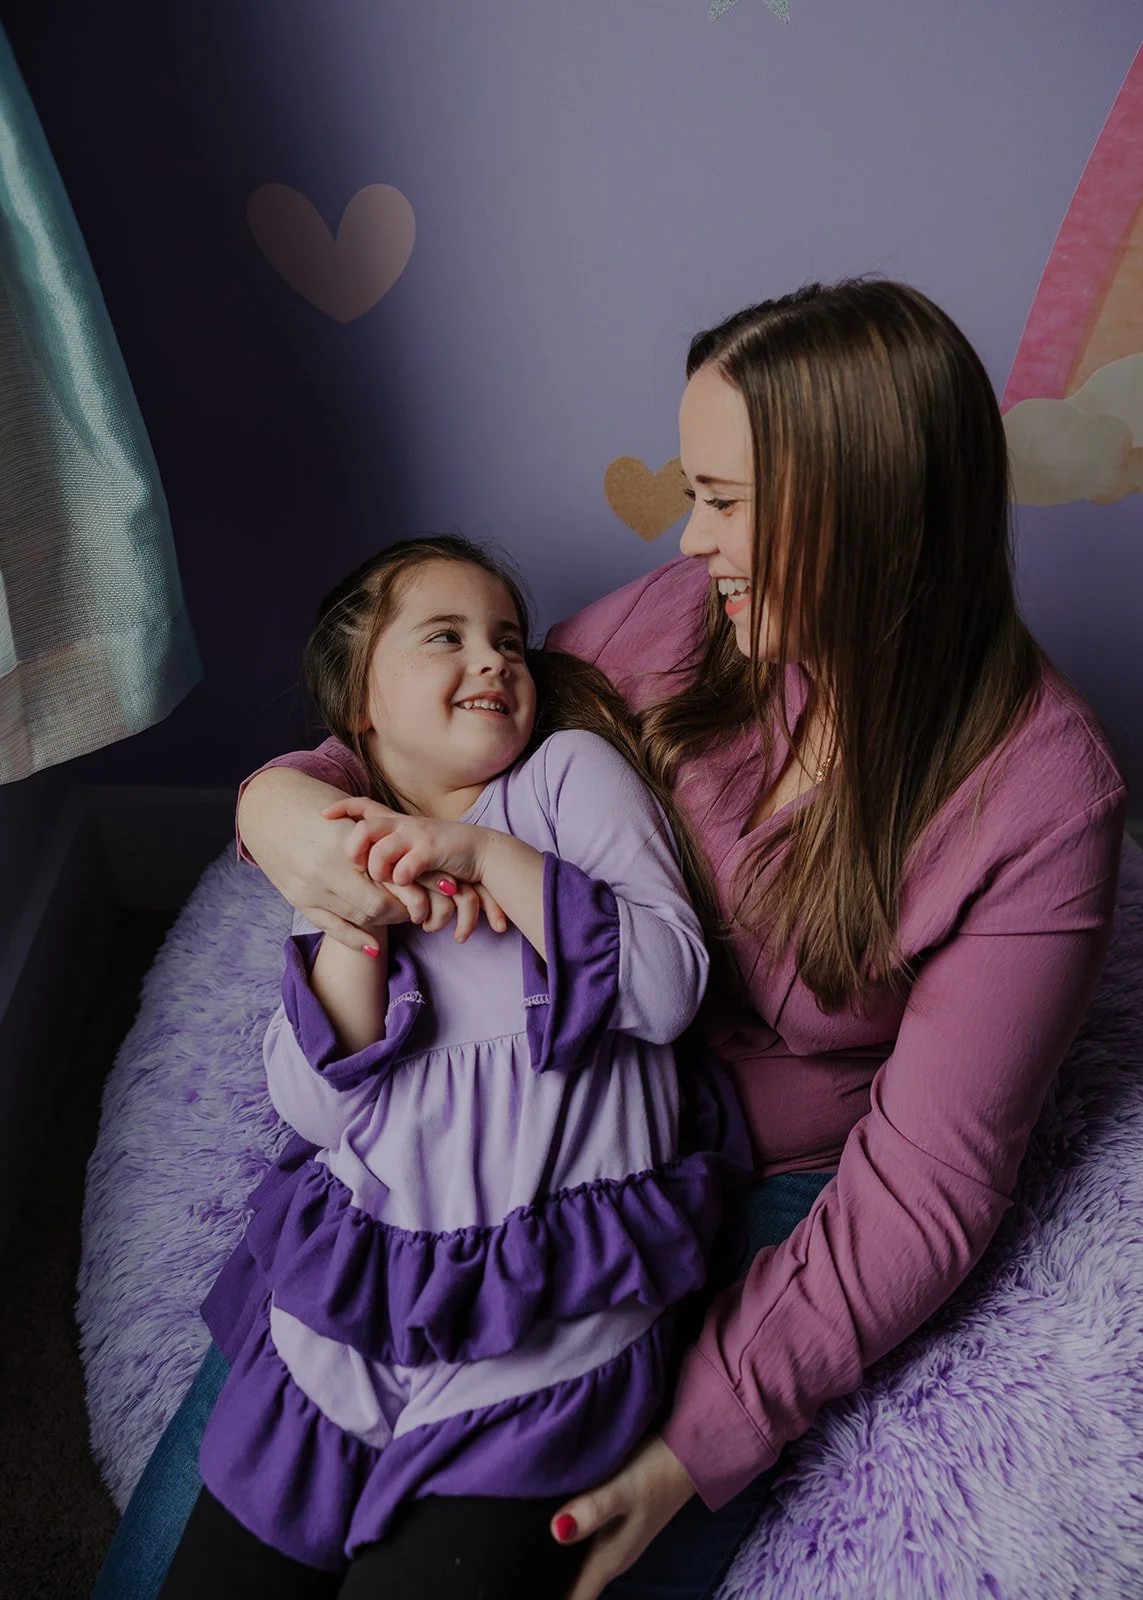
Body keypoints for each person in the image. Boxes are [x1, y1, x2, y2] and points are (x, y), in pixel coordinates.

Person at [92, 279, 1127, 1600]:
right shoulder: (671, 632)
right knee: (205, 1534)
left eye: (723, 498)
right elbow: (417, 743)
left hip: (758, 1186)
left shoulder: (1039, 800)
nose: (689, 539)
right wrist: (279, 802)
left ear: (863, 508)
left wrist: (691, 1450)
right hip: (503, 1116)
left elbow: (924, 1189)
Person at [153, 534, 750, 1598]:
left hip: (541, 1310)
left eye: (509, 638)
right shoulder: (338, 843)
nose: (497, 660)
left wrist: (487, 856)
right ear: (362, 702)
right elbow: (310, 1108)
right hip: (363, 1297)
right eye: (447, 636)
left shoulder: (567, 778)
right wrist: (355, 929)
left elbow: (663, 991)